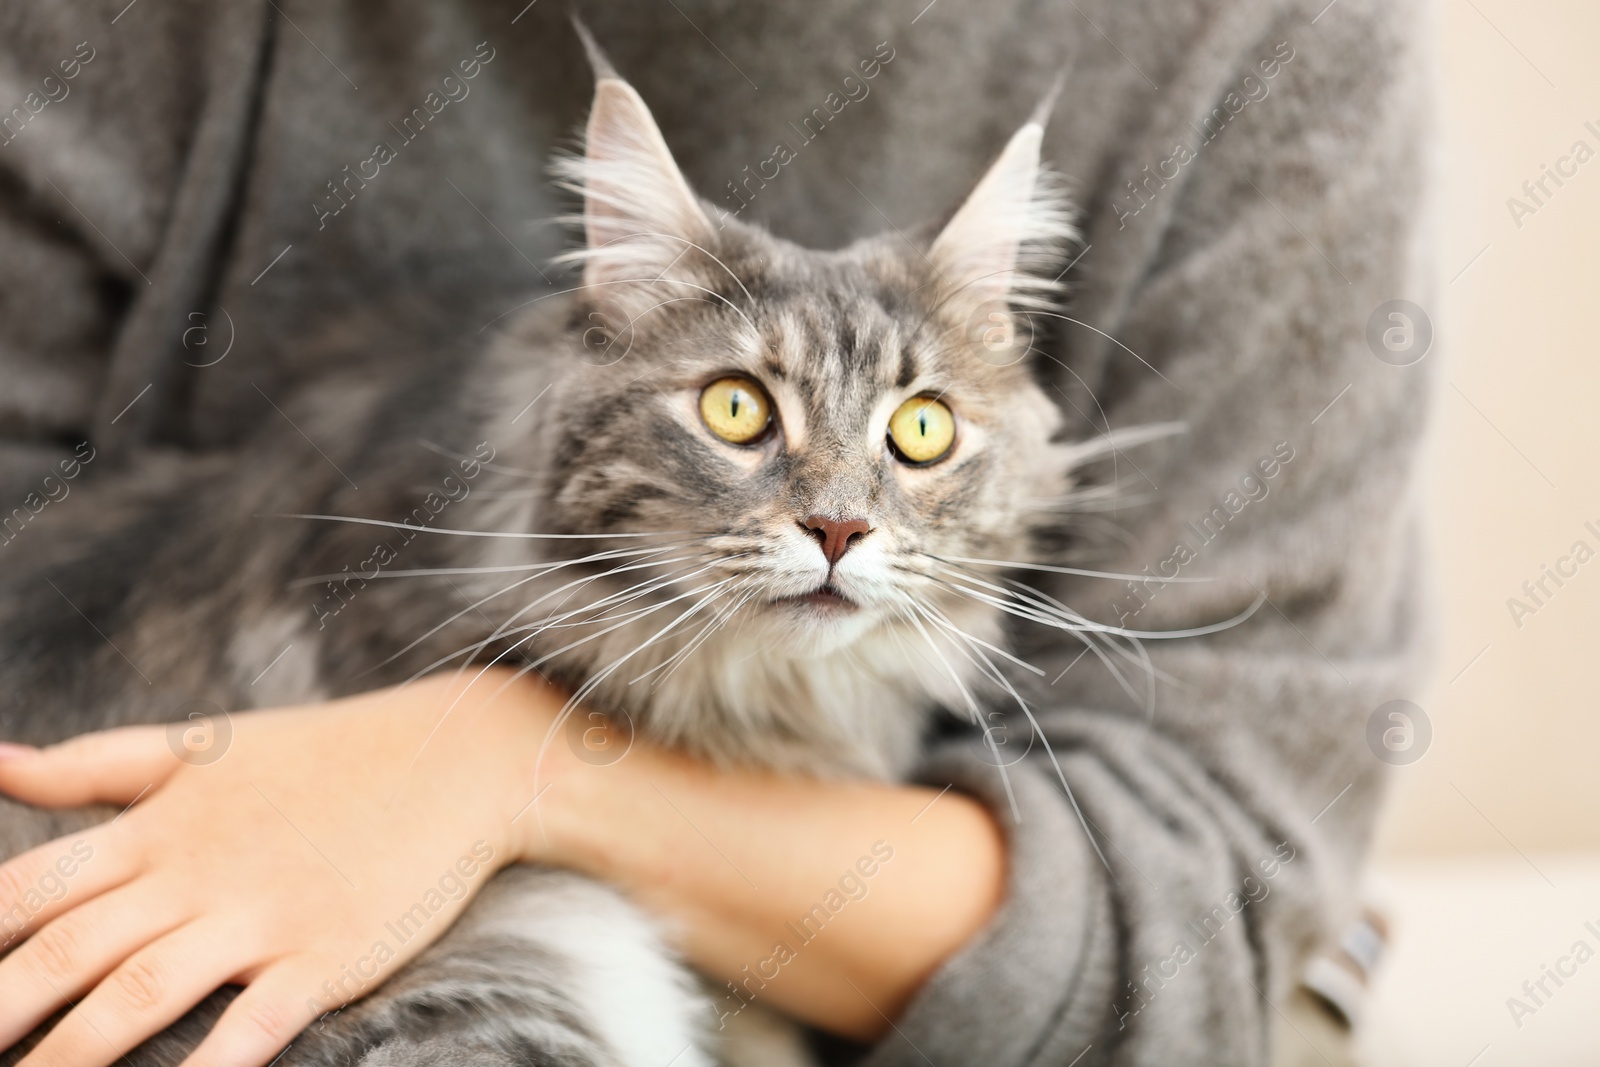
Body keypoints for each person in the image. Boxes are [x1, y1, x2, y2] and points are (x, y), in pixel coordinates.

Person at [0, 1, 1431, 1064]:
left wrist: (520, 771)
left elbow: (1217, 925)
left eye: (916, 437)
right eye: (746, 417)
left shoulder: (1272, 46)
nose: (837, 517)